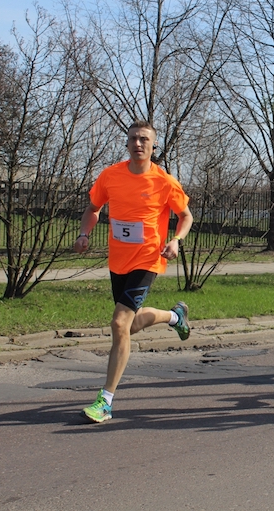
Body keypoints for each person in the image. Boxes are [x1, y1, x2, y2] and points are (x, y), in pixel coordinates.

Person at [75, 120, 194, 423]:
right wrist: (84, 234)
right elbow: (92, 208)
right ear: (127, 144)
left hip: (148, 259)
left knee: (119, 323)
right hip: (118, 261)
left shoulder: (164, 181)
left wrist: (176, 241)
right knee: (128, 326)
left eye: (144, 139)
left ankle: (105, 401)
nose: (138, 144)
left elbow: (185, 216)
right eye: (133, 139)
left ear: (153, 146)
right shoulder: (110, 176)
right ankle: (175, 317)